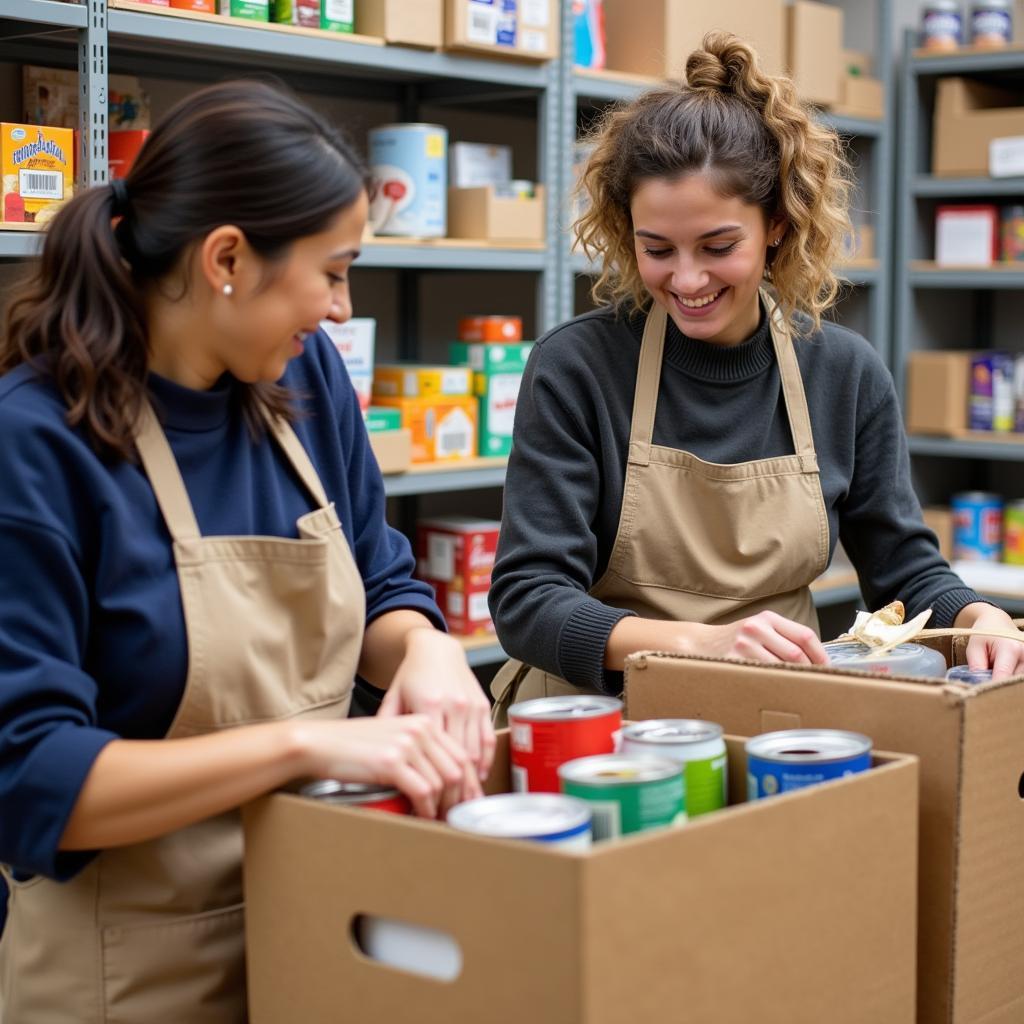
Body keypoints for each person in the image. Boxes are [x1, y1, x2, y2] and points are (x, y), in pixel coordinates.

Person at [0, 80, 494, 1021]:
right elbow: (31, 780)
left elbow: (379, 575)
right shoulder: (37, 446)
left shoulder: (301, 379)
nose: (344, 310)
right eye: (333, 270)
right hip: (128, 976)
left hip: (318, 937)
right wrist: (308, 740)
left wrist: (427, 651)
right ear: (227, 257)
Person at [488, 33, 1024, 718]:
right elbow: (529, 601)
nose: (685, 279)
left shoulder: (844, 373)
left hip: (775, 716)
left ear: (776, 224)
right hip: (597, 724)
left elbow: (904, 568)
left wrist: (979, 618)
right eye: (657, 249)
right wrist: (701, 643)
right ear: (627, 232)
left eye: (718, 246)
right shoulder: (577, 369)